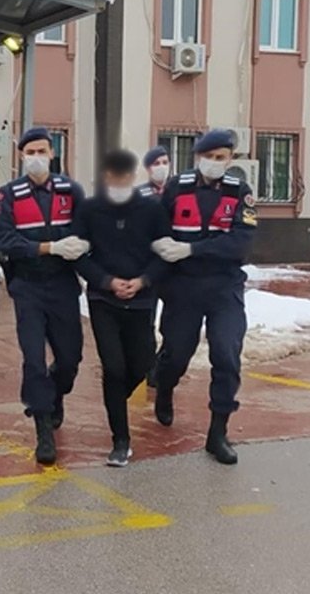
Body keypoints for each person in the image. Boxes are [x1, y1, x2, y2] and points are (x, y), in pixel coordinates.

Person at [150, 128, 257, 465]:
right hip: (183, 288)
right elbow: (155, 227)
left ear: (230, 160)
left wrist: (192, 249)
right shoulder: (176, 188)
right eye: (209, 157)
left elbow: (240, 242)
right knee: (176, 354)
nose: (214, 163)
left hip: (224, 287)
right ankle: (165, 388)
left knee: (227, 355)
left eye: (221, 158)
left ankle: (218, 432)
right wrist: (159, 246)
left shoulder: (241, 192)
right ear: (197, 158)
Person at [0, 127, 88, 466]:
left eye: (42, 150)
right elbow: (2, 239)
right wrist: (47, 247)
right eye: (29, 151)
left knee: (70, 360)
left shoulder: (70, 190)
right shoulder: (9, 195)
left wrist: (82, 247)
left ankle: (55, 393)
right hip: (28, 288)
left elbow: (86, 229)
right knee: (33, 360)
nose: (36, 157)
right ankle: (43, 430)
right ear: (21, 156)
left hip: (63, 285)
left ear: (52, 153)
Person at [72, 149, 170, 467]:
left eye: (124, 177)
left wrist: (143, 281)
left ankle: (115, 402)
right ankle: (120, 441)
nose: (118, 182)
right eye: (113, 177)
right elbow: (78, 254)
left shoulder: (151, 210)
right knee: (113, 368)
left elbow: (164, 253)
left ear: (132, 177)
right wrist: (105, 281)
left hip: (142, 300)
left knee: (141, 365)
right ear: (105, 178)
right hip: (104, 300)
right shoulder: (89, 210)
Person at [138, 145, 172, 389]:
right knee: (146, 322)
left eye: (165, 161)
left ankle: (164, 362)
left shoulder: (179, 192)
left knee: (173, 322)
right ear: (148, 168)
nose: (162, 167)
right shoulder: (138, 195)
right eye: (156, 163)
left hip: (175, 268)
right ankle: (149, 368)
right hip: (148, 266)